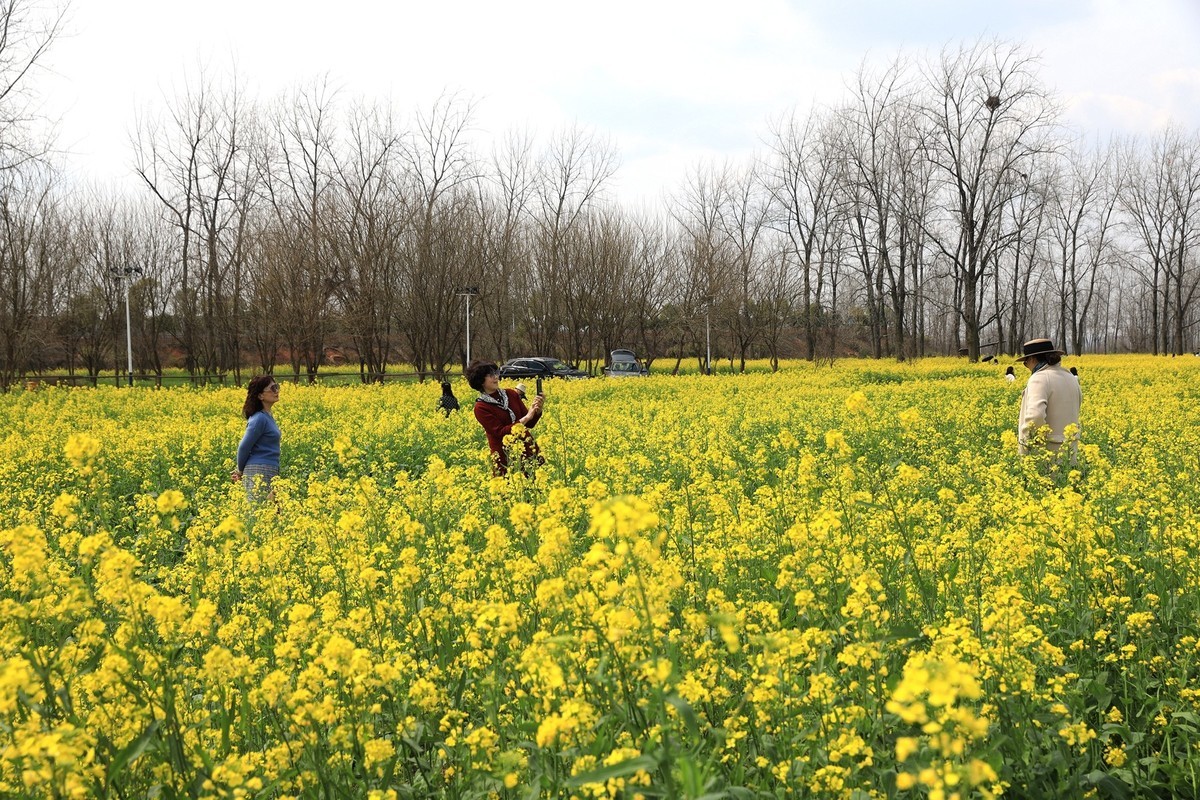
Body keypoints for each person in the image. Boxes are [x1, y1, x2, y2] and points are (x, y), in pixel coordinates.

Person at [466, 360, 544, 476]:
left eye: (496, 373)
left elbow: (529, 424)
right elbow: (500, 432)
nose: (495, 377)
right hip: (504, 456)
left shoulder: (511, 394)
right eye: (490, 375)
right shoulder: (481, 407)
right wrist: (526, 418)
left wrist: (537, 410)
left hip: (527, 449)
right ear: (480, 380)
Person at [1016, 338, 1081, 457]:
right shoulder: (1071, 377)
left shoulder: (1039, 378)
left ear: (1032, 359)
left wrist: (1026, 445)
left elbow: (1035, 416)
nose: (1027, 366)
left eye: (1025, 362)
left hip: (1046, 453)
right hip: (1070, 450)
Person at [232, 376, 282, 500]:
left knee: (270, 508)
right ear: (260, 396)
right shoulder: (259, 418)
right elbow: (244, 447)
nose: (276, 391)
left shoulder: (267, 416)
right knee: (259, 508)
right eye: (272, 388)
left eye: (277, 387)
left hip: (269, 468)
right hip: (258, 470)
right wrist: (240, 471)